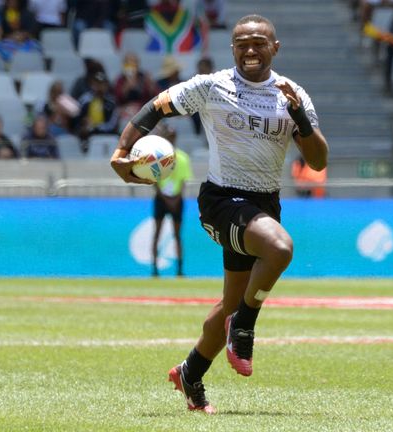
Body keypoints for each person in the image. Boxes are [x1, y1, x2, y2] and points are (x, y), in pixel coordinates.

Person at [110, 14, 329, 414]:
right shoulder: (212, 86)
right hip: (222, 200)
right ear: (232, 48)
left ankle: (190, 372)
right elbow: (156, 107)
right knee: (279, 248)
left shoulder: (291, 94)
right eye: (242, 42)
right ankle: (243, 329)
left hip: (264, 204)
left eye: (259, 43)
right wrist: (123, 151)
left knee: (229, 305)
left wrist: (298, 117)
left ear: (274, 48)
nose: (250, 49)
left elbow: (317, 161)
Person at [150, 124, 192, 278]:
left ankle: (179, 270)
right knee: (157, 234)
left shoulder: (182, 158)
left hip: (175, 199)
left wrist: (174, 199)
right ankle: (154, 268)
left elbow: (183, 182)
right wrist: (168, 199)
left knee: (177, 235)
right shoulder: (157, 157)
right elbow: (154, 181)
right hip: (164, 199)